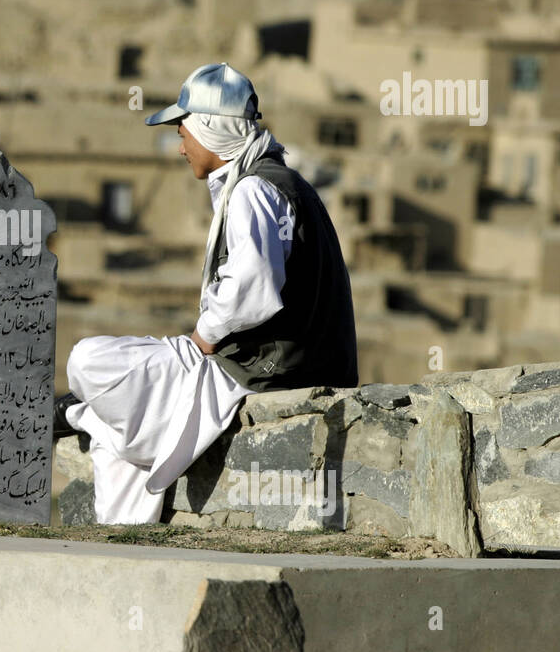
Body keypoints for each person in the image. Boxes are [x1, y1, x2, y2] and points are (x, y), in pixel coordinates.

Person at [53, 62, 358, 524]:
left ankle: (79, 414)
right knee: (119, 432)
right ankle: (124, 530)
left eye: (183, 132)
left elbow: (253, 287)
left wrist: (202, 337)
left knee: (86, 359)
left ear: (210, 129)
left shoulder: (255, 189)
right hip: (276, 364)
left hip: (256, 370)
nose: (180, 147)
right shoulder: (281, 183)